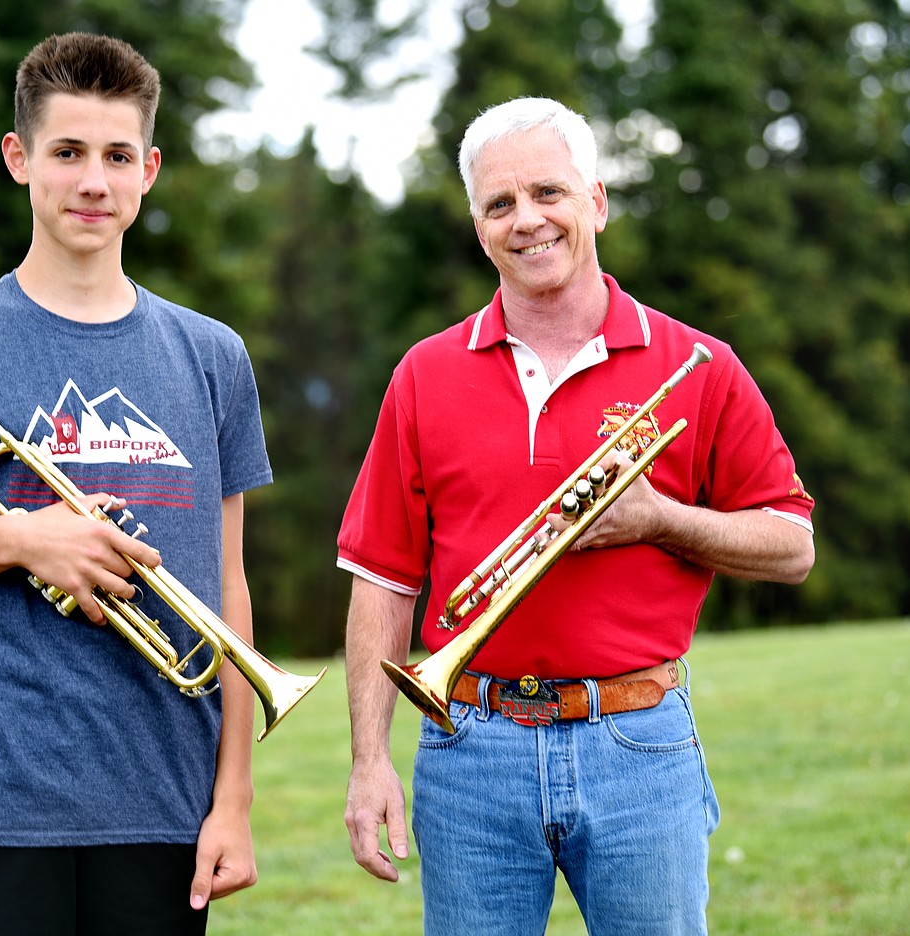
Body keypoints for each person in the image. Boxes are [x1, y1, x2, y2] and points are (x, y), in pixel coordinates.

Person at [0, 32, 268, 934]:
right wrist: (18, 538)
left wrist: (234, 803)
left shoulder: (214, 356)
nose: (92, 182)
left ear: (149, 170)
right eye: (67, 152)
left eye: (115, 156)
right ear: (19, 158)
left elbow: (228, 592)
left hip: (166, 814)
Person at [338, 96, 815, 935]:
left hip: (638, 741)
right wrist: (368, 760)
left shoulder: (699, 365)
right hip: (468, 749)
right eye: (500, 204)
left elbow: (792, 546)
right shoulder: (424, 374)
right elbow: (382, 579)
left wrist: (663, 519)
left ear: (596, 200)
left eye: (548, 193)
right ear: (479, 227)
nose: (527, 221)